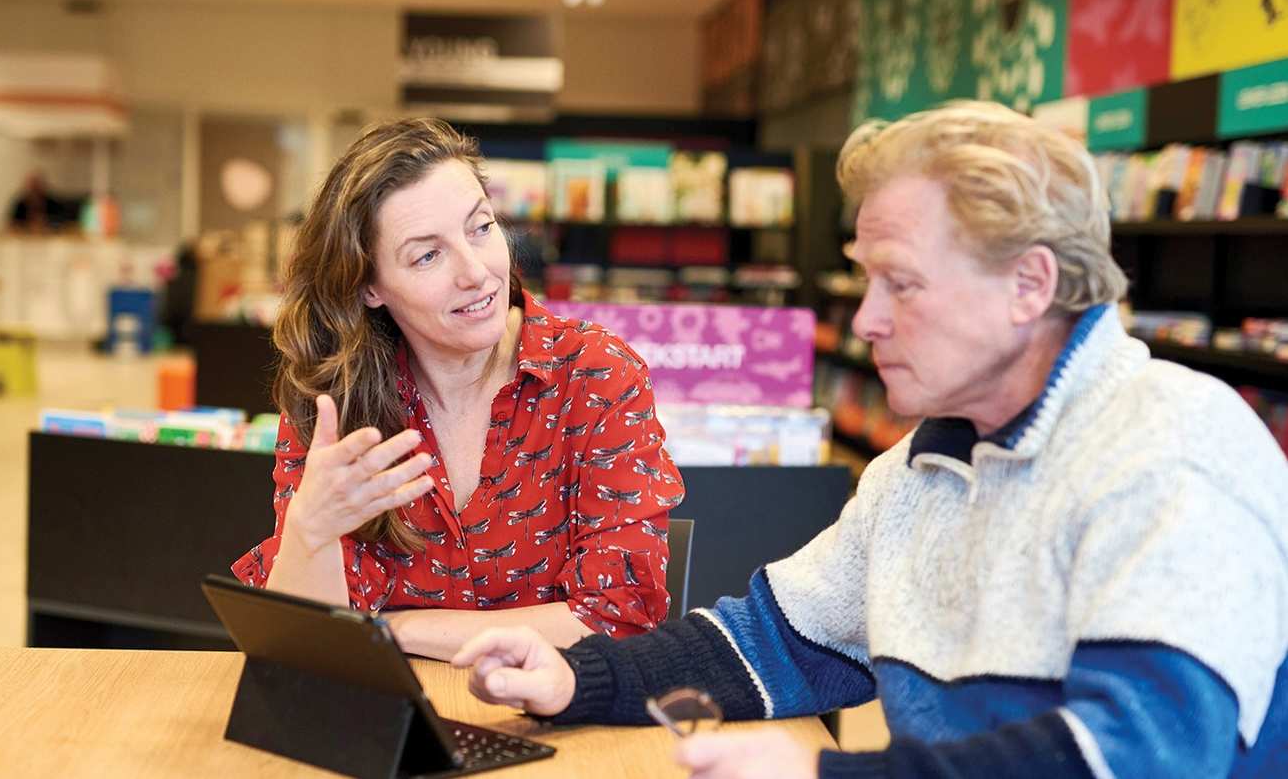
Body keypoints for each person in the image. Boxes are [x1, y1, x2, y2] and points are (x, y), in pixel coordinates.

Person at [452, 101, 1288, 778]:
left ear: (1029, 284)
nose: (867, 319)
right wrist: (583, 677)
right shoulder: (919, 471)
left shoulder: (1172, 449)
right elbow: (776, 642)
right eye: (865, 278)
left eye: (903, 284)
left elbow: (1142, 756)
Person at [231, 118, 683, 661]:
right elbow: (302, 645)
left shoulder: (595, 375)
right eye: (428, 255)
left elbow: (621, 616)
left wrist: (392, 633)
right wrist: (309, 531)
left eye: (481, 228)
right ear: (370, 286)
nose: (476, 272)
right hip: (385, 718)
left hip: (561, 723)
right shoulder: (335, 399)